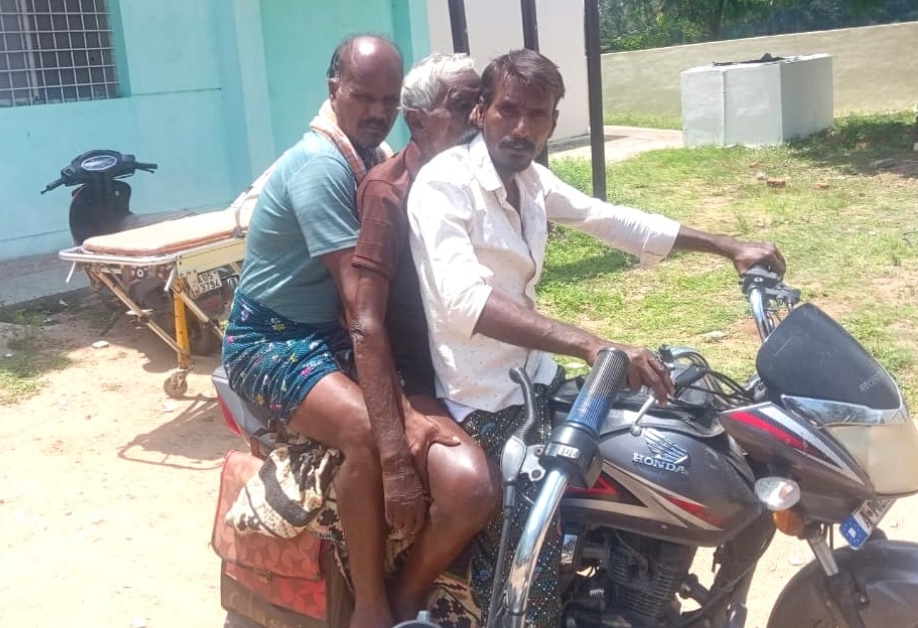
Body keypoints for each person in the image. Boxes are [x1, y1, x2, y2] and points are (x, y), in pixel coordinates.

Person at [406, 48, 786, 628]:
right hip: (481, 399)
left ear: (553, 122)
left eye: (538, 115)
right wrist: (592, 344)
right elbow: (467, 304)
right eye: (508, 110)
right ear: (481, 111)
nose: (521, 127)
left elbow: (611, 219)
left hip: (538, 382)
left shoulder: (529, 182)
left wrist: (728, 246)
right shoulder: (444, 186)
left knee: (682, 439)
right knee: (529, 544)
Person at [223, 36, 485, 628]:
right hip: (271, 339)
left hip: (327, 335)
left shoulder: (369, 154)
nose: (375, 111)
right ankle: (373, 605)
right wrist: (399, 420)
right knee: (369, 430)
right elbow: (357, 305)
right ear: (332, 91)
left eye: (387, 100)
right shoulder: (321, 167)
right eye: (362, 96)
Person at [349, 53, 495, 622]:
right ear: (417, 119)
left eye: (482, 103)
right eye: (464, 106)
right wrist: (398, 434)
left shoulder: (485, 179)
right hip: (419, 374)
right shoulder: (390, 191)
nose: (479, 119)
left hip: (476, 363)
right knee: (470, 490)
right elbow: (367, 321)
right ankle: (407, 592)